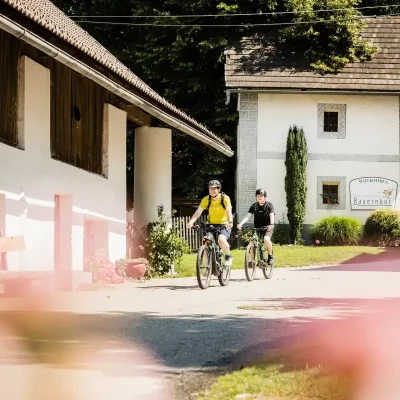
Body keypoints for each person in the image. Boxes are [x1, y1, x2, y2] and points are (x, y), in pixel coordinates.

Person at [187, 180, 234, 267]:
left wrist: (230, 222)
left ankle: (228, 256)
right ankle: (207, 265)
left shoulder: (225, 198)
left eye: (214, 189)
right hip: (211, 225)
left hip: (224, 224)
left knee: (221, 240)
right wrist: (191, 222)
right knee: (205, 242)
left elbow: (229, 211)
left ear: (218, 189)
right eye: (210, 188)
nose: (212, 190)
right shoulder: (206, 199)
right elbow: (198, 212)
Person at [237, 188, 275, 265]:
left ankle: (270, 256)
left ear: (265, 197)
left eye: (261, 196)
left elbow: (271, 215)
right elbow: (248, 216)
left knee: (266, 239)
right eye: (258, 196)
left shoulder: (269, 205)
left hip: (267, 227)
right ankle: (252, 261)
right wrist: (241, 224)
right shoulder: (254, 206)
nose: (259, 197)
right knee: (252, 241)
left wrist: (271, 224)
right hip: (257, 227)